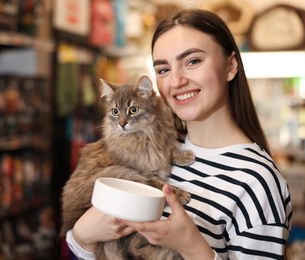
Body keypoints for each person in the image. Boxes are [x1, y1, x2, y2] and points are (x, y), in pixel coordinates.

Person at [65, 8, 292, 260]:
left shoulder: (257, 180)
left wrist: (193, 247)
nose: (176, 81)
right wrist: (82, 237)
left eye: (192, 61)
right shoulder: (151, 149)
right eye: (163, 69)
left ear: (230, 66)